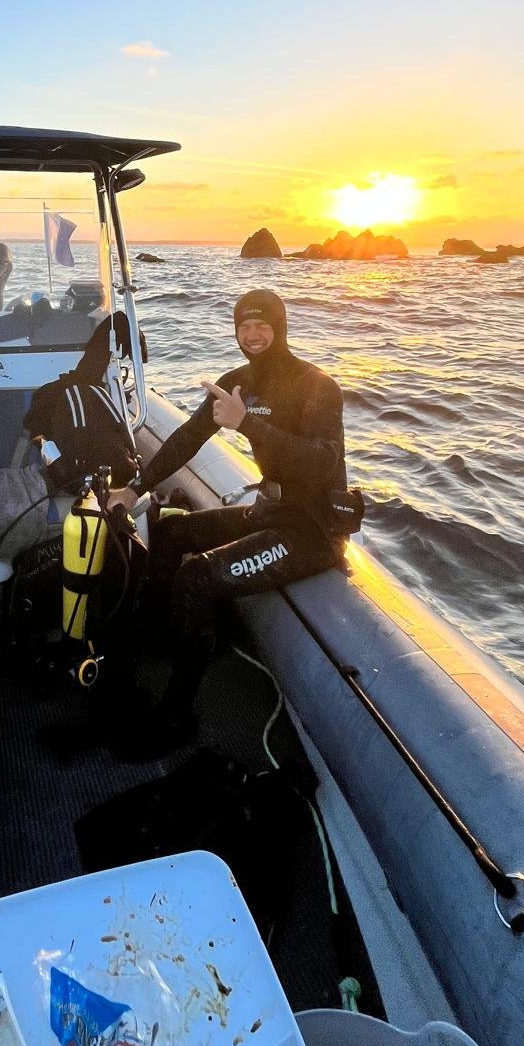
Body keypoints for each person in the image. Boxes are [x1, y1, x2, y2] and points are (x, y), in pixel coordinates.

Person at [105, 287, 348, 754]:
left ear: (280, 328)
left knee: (197, 577)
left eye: (262, 325)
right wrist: (135, 488)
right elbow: (187, 438)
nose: (253, 334)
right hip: (270, 511)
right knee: (173, 530)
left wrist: (248, 424)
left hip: (312, 529)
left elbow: (322, 462)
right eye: (244, 325)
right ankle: (163, 637)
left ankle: (176, 717)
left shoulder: (316, 386)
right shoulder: (238, 382)